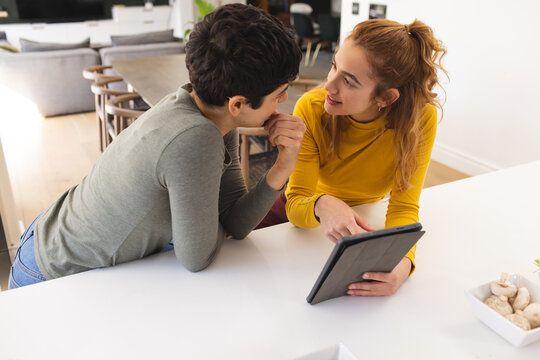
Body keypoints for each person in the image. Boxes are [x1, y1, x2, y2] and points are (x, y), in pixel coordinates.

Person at [8, 4, 305, 289]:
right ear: (237, 104)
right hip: (52, 274)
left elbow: (236, 224)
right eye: (280, 94)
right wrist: (209, 219)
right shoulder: (196, 137)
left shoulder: (204, 108)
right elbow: (197, 257)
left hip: (50, 237)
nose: (282, 102)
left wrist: (283, 166)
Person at [258, 18, 448, 296]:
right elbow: (297, 202)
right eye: (334, 65)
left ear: (386, 97)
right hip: (306, 207)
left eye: (349, 81)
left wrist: (404, 264)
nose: (328, 86)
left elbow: (404, 207)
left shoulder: (419, 119)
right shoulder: (311, 108)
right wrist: (322, 204)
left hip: (360, 213)